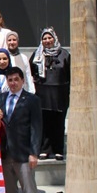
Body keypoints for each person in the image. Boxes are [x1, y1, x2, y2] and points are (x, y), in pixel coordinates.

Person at [29, 27, 71, 160]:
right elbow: (31, 73)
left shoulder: (64, 54)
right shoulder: (37, 55)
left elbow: (70, 74)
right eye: (44, 38)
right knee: (45, 123)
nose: (47, 41)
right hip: (42, 94)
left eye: (49, 38)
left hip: (60, 94)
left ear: (54, 38)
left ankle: (58, 149)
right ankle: (45, 149)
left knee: (59, 122)